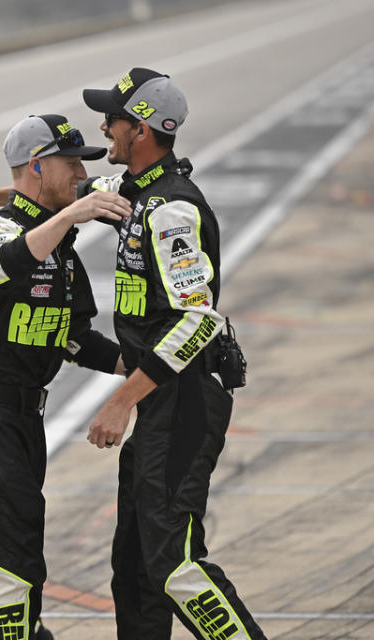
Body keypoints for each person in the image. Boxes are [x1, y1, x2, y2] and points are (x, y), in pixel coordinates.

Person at [0, 114, 131, 640]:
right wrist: (69, 217)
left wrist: (141, 370)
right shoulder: (4, 229)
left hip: (20, 419)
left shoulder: (60, 246)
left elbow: (75, 337)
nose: (82, 176)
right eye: (71, 164)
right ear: (38, 166)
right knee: (12, 568)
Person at [80, 68, 265, 639]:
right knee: (134, 569)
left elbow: (197, 322)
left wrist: (122, 400)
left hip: (183, 401)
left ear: (139, 131)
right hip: (163, 401)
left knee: (173, 565)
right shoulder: (134, 194)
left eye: (112, 117)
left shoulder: (171, 211)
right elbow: (70, 194)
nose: (103, 126)